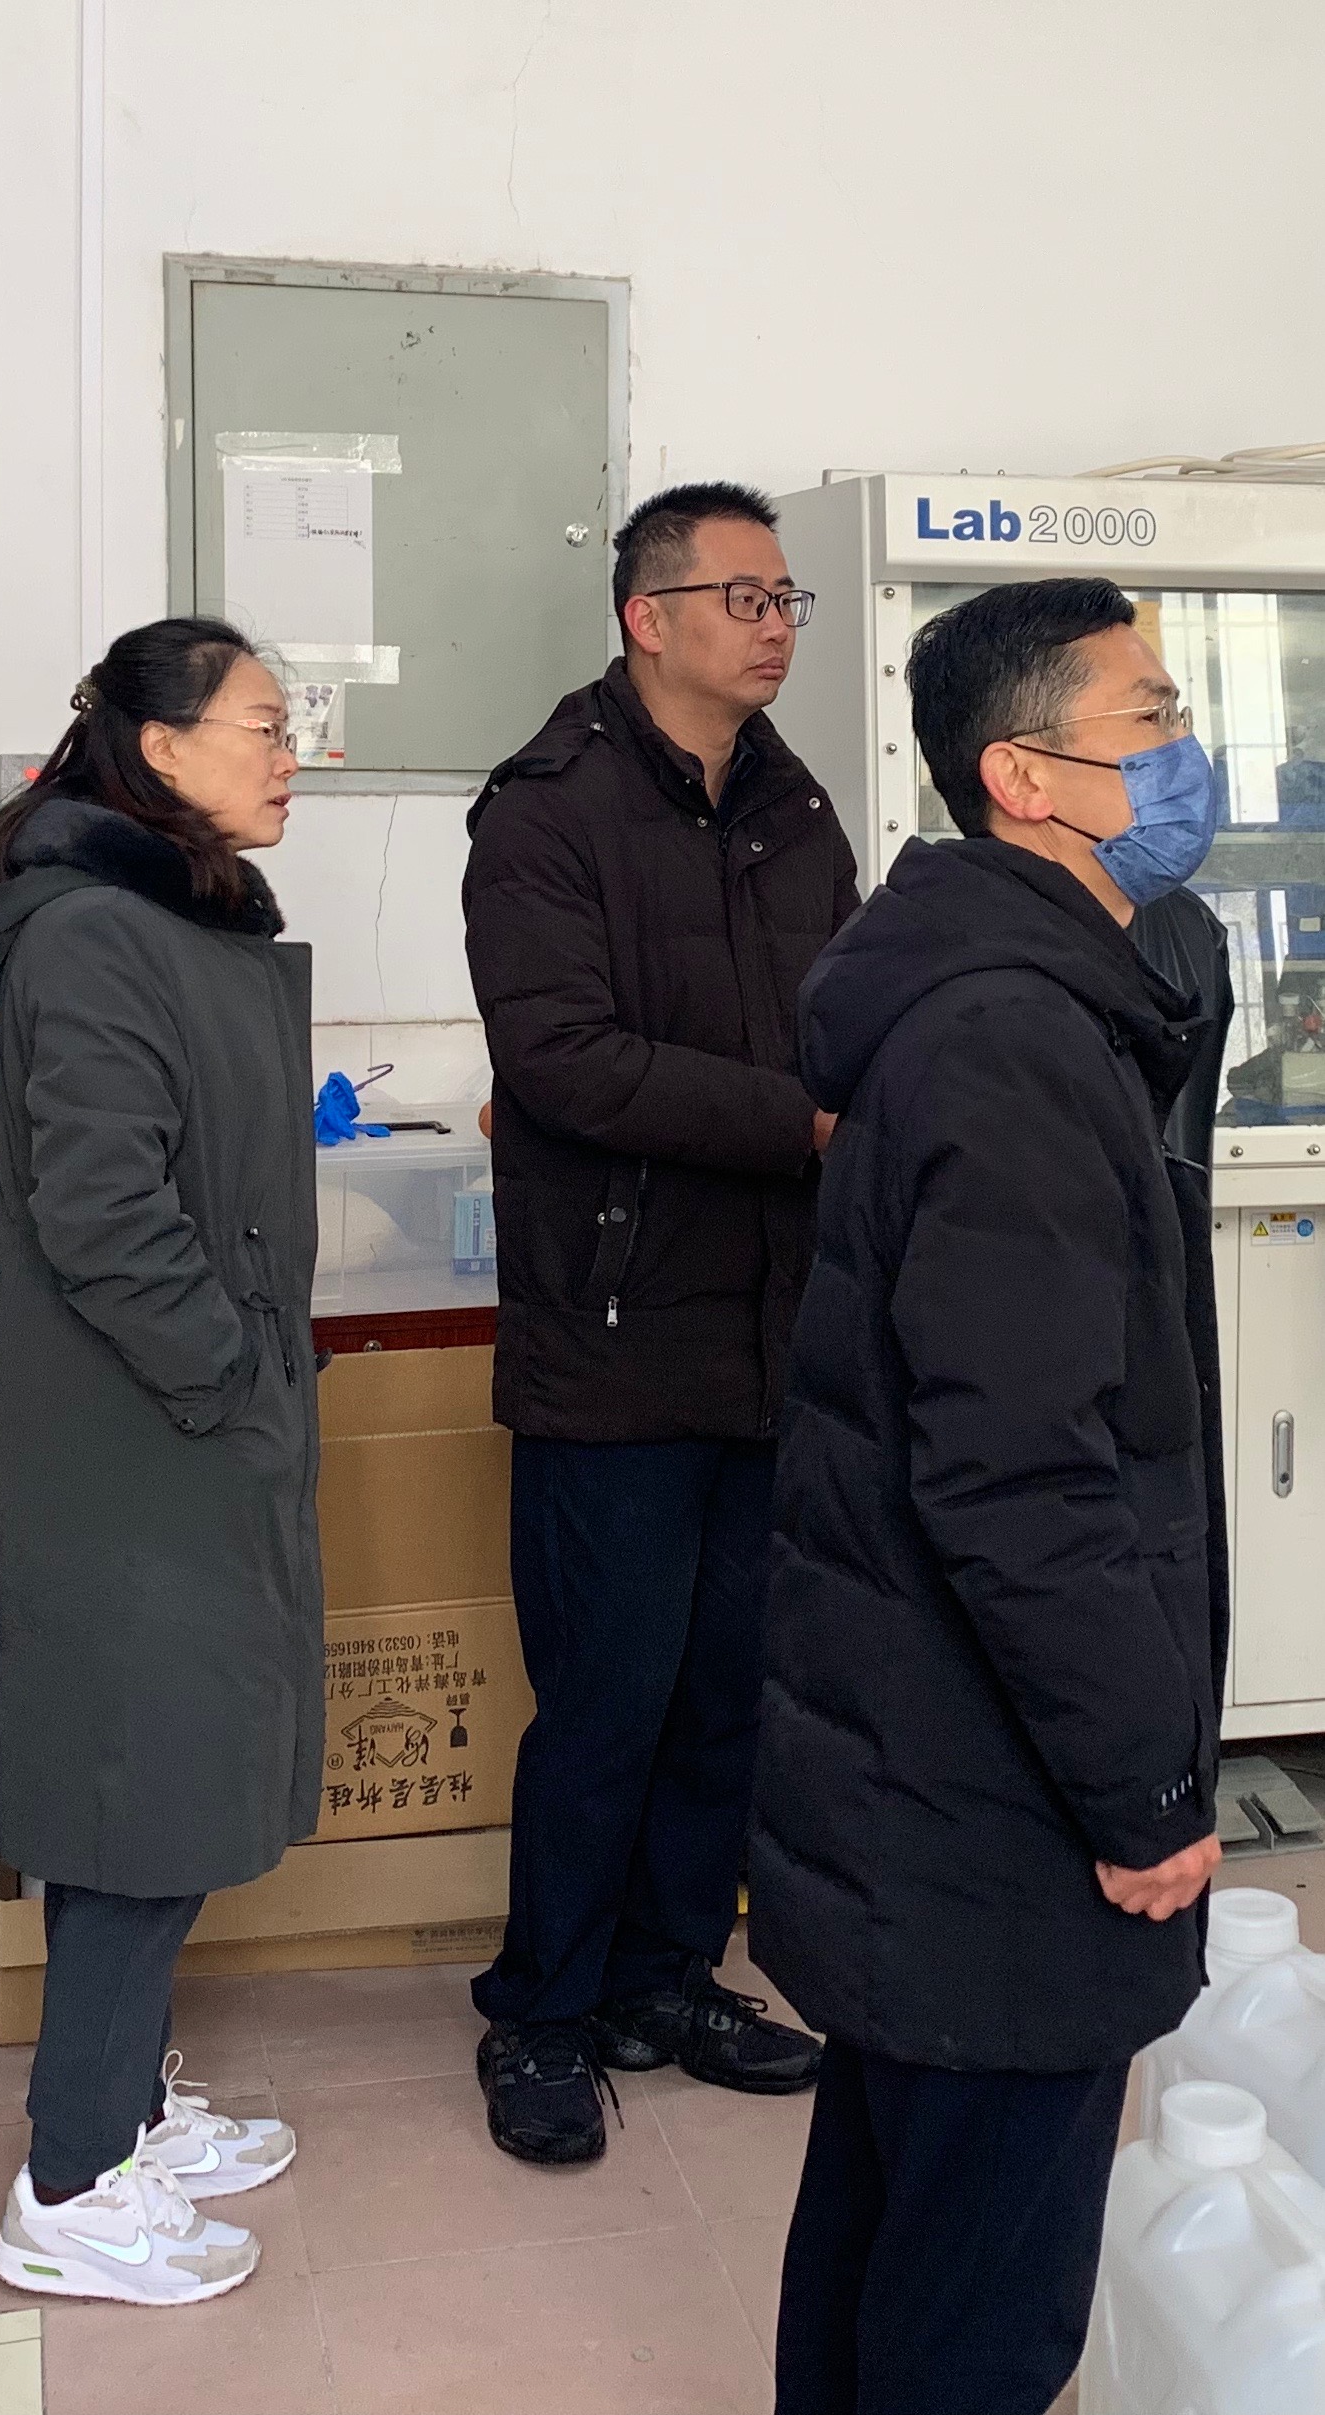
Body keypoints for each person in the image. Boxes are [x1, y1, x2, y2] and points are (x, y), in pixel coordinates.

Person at [751, 576, 1227, 2415]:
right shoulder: (1014, 1041)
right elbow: (1022, 1480)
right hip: (994, 1796)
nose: (1186, 754)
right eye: (1152, 720)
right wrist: (1145, 1788)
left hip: (925, 1775)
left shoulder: (1012, 1002)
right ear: (1024, 779)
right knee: (978, 2309)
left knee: (890, 2223)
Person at [460, 480, 853, 2166]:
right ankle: (543, 2013)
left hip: (778, 1327)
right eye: (744, 598)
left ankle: (666, 1980)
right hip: (615, 1333)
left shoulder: (793, 805)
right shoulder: (547, 810)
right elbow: (562, 1062)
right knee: (607, 1700)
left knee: (730, 1695)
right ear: (648, 617)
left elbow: (846, 1007)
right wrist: (803, 1125)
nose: (775, 626)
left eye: (786, 601)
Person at [0, 620, 316, 2308]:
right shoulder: (100, 936)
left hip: (175, 1426)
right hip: (137, 1433)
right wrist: (225, 1370)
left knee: (163, 1770)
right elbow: (105, 1209)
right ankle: (73, 2183)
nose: (290, 754)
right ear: (159, 750)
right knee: (134, 1794)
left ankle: (128, 2105)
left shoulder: (178, 917)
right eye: (263, 726)